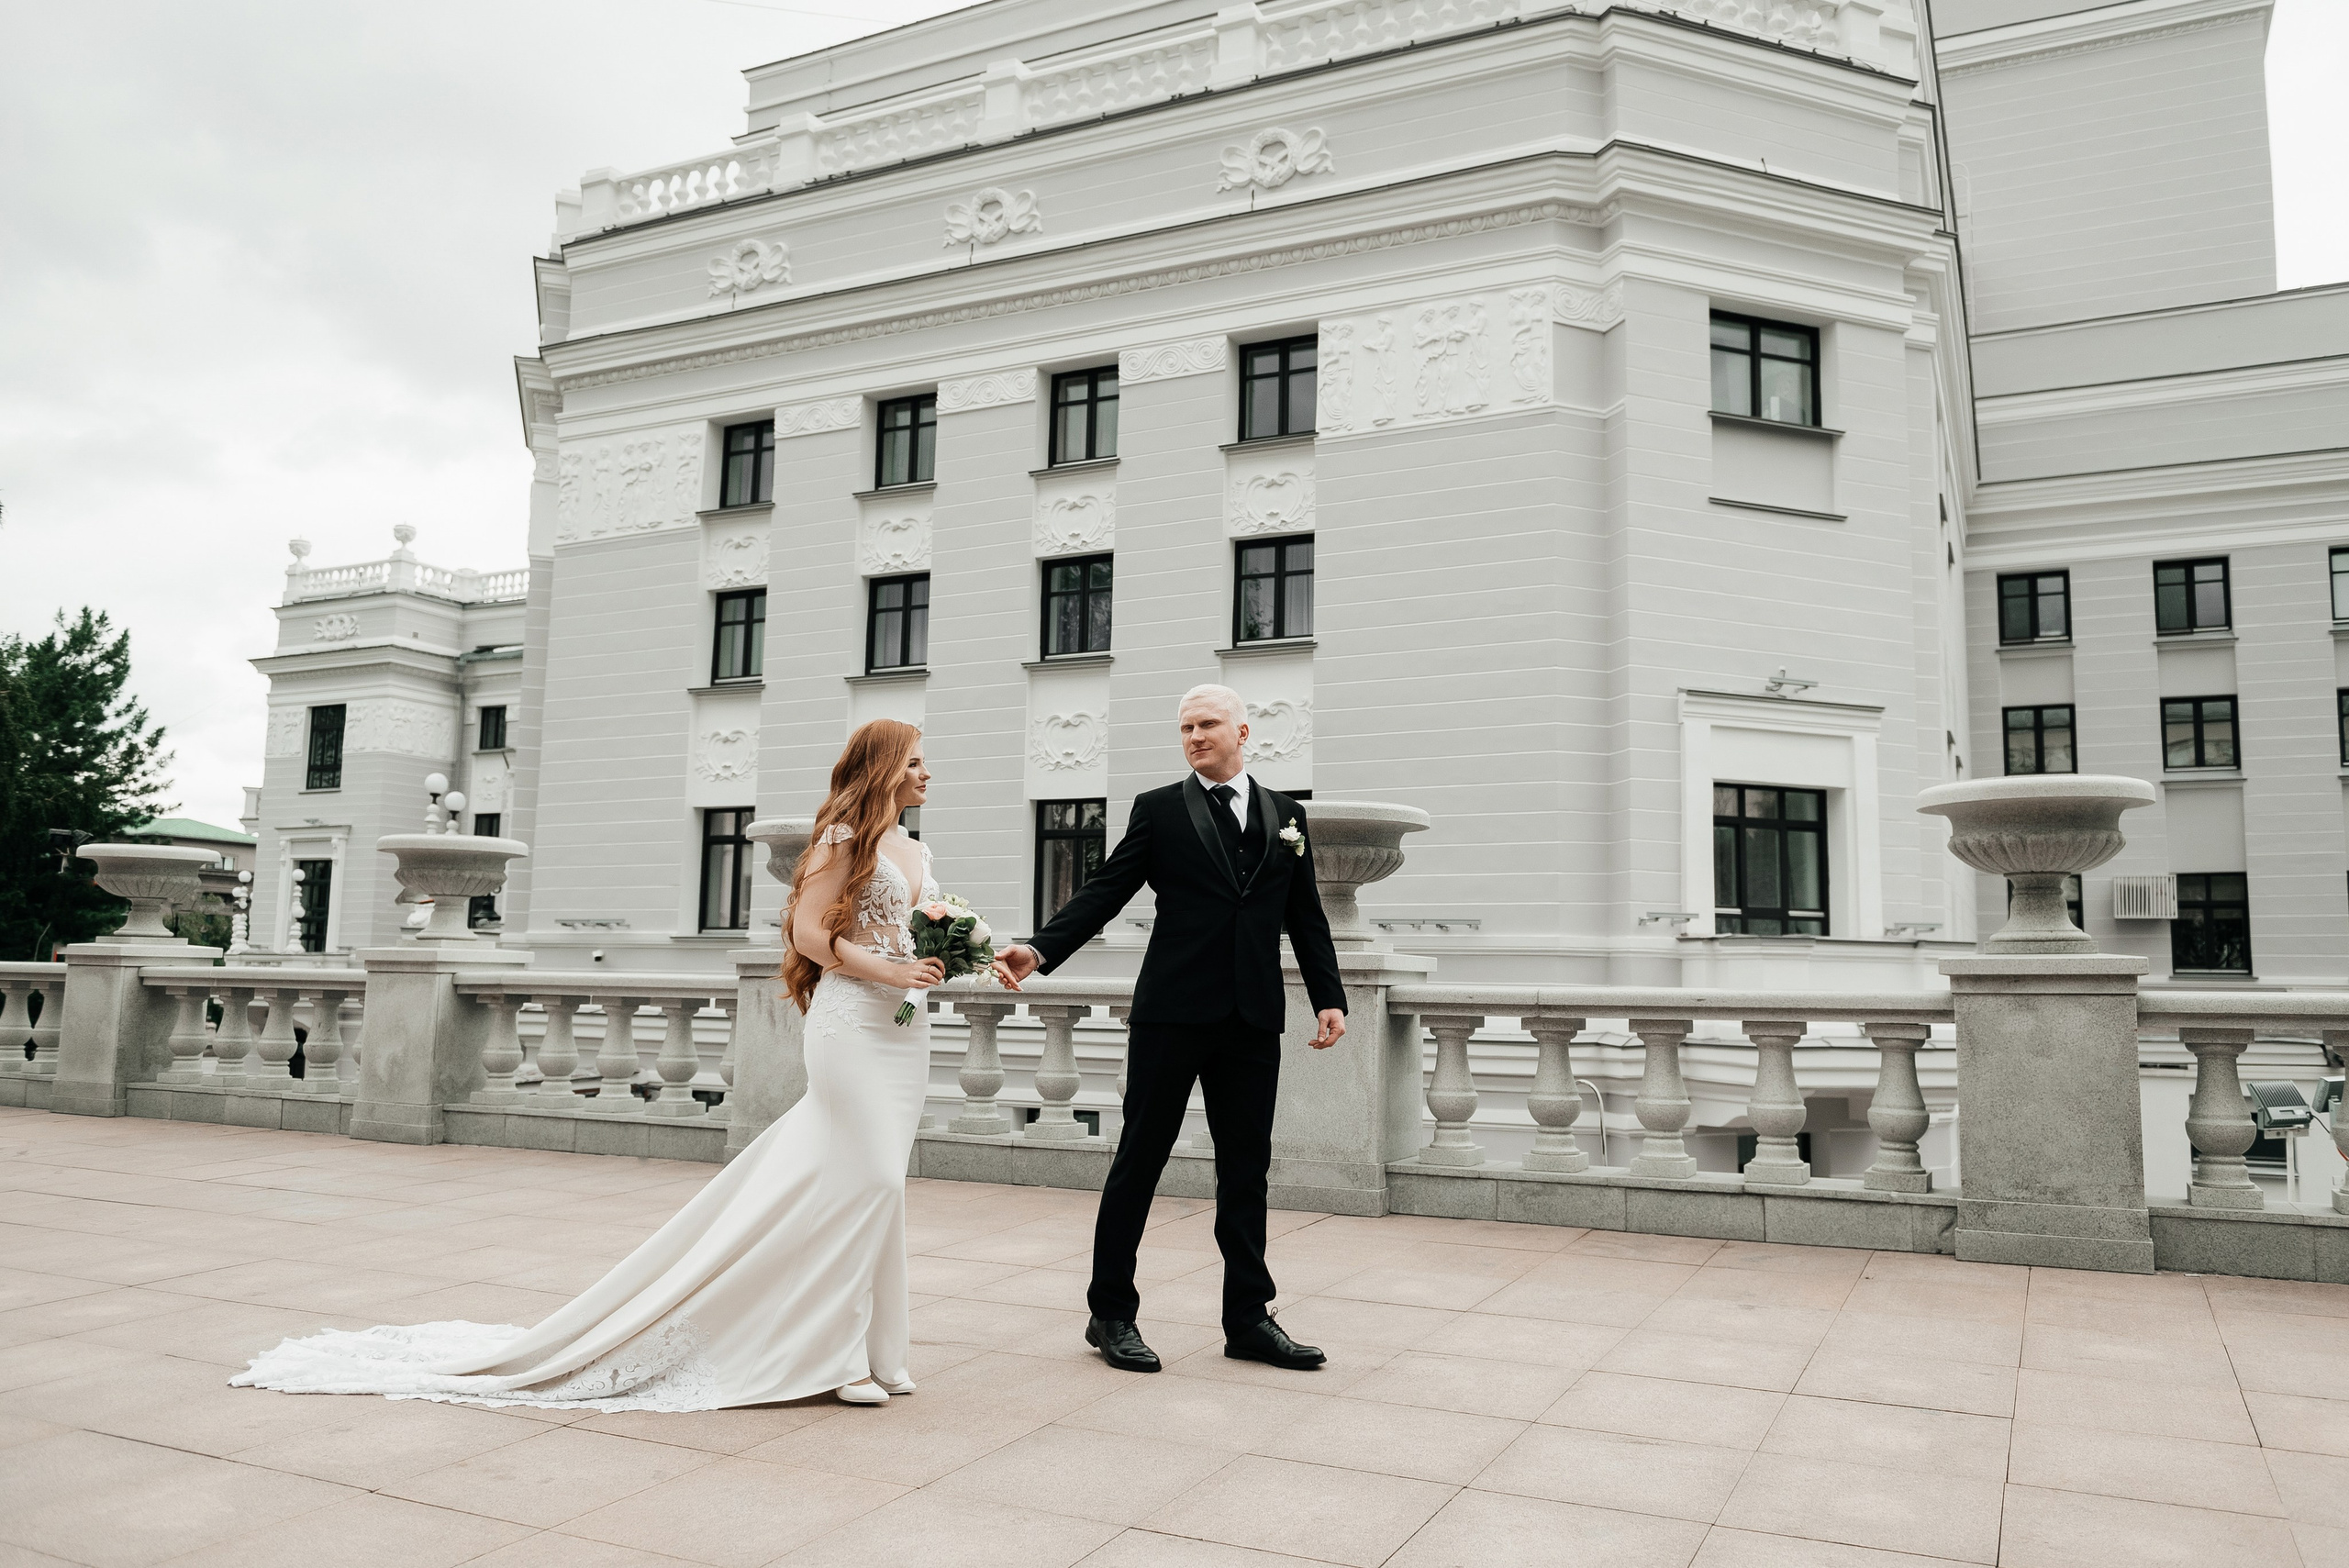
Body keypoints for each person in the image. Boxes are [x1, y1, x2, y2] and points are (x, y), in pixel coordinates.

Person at [229, 719, 946, 1410]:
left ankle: (881, 1350)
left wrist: (963, 955)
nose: (925, 772)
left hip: (903, 1033)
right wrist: (885, 971)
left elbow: (923, 926)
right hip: (852, 1024)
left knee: (876, 1184)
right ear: (882, 765)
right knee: (873, 1177)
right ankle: (838, 1353)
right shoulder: (842, 838)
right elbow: (809, 934)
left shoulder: (916, 850)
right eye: (914, 760)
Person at [994, 684, 1347, 1375]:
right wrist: (1039, 950)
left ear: (1244, 731)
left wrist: (1326, 996)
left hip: (1251, 1017)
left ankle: (1248, 1317)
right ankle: (1110, 1313)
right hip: (1171, 1012)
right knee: (1141, 1160)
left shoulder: (1286, 814)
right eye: (1184, 726)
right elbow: (1106, 887)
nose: (1193, 736)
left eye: (1207, 723)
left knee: (1245, 1170)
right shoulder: (1159, 809)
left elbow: (1304, 913)